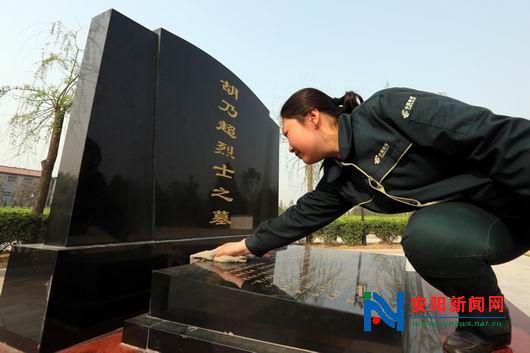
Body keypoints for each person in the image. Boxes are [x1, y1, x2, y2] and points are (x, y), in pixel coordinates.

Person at [214, 86, 530, 353]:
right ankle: (487, 326)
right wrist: (244, 245)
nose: (289, 147)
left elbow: (491, 135)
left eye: (288, 133)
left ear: (312, 116)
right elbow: (301, 216)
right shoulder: (341, 179)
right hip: (495, 225)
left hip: (519, 195)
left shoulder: (387, 111)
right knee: (428, 236)